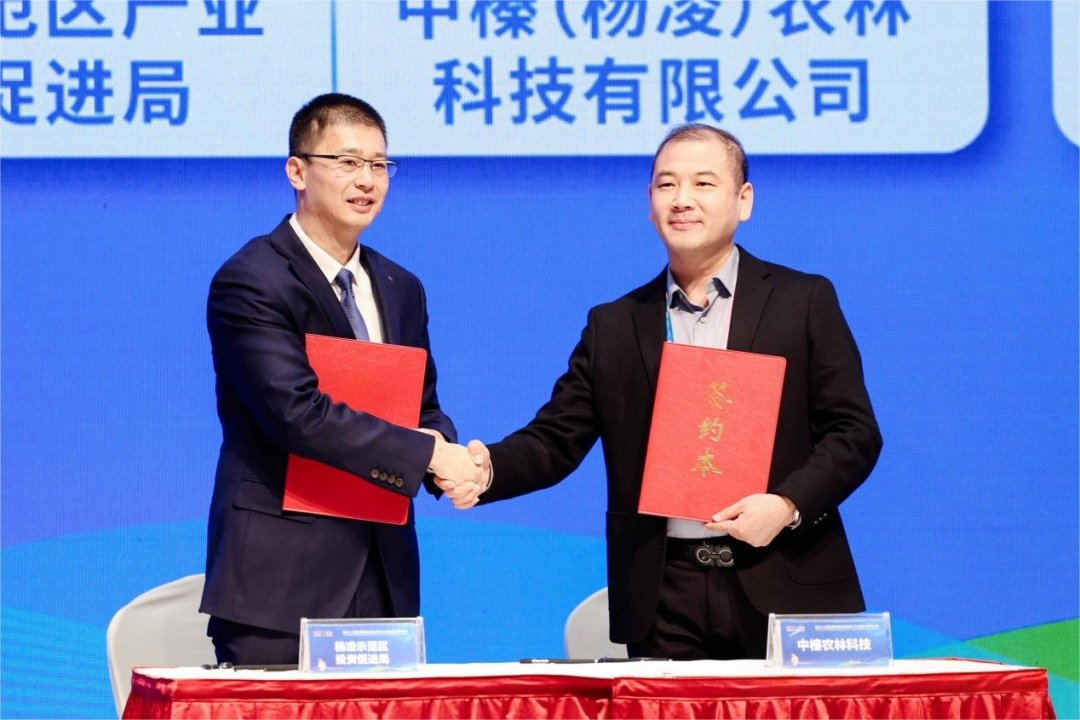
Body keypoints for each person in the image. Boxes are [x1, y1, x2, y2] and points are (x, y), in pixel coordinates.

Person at [451, 124, 882, 660]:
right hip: (663, 594)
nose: (682, 200)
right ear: (650, 203)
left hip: (785, 576)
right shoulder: (615, 324)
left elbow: (854, 433)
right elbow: (556, 438)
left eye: (703, 183)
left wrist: (787, 504)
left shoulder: (802, 301)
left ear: (743, 200)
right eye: (666, 184)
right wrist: (485, 469)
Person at [200, 93, 483, 665]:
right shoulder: (252, 280)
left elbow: (420, 403)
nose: (367, 180)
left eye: (379, 164)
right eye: (347, 162)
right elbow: (296, 414)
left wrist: (449, 455)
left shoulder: (401, 286)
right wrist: (428, 455)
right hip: (280, 583)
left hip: (384, 573)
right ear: (297, 171)